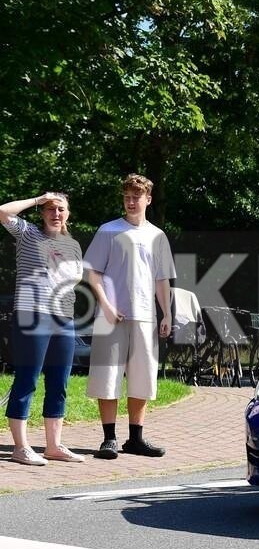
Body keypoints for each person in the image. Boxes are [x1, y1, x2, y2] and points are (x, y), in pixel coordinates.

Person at [84, 174, 175, 459]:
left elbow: (162, 279)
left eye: (137, 197)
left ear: (148, 199)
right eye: (127, 197)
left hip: (146, 316)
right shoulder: (108, 230)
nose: (131, 201)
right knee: (107, 375)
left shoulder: (157, 235)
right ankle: (108, 439)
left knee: (142, 378)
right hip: (111, 316)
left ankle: (135, 438)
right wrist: (107, 306)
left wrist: (167, 314)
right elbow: (92, 273)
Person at [1, 192, 85, 465]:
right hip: (32, 316)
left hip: (64, 319)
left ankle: (53, 446)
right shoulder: (28, 234)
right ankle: (21, 447)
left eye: (60, 209)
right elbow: (3, 212)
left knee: (59, 383)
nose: (55, 213)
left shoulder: (73, 245)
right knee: (28, 379)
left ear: (68, 214)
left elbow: (73, 281)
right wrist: (38, 198)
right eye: (50, 208)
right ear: (42, 213)